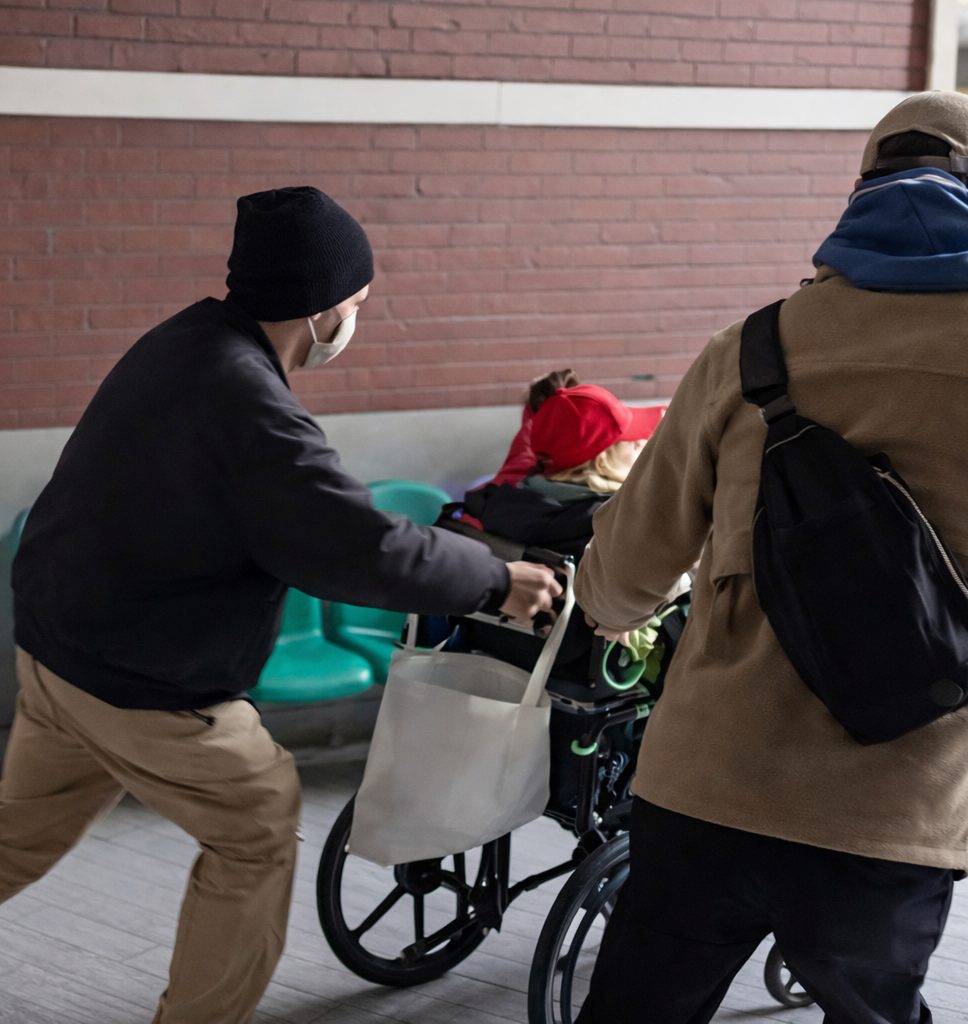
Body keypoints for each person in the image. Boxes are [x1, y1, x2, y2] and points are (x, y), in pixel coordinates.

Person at [1, 186, 560, 1024]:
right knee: (257, 821)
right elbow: (357, 544)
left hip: (57, 653)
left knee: (17, 836)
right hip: (144, 684)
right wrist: (497, 580)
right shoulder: (250, 409)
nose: (357, 321)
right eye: (359, 304)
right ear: (324, 309)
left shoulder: (181, 342)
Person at [573, 91, 968, 1024]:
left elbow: (621, 581)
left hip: (709, 780)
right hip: (893, 799)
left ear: (859, 192)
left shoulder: (751, 346)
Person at [463, 382, 665, 559]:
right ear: (602, 462)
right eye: (632, 443)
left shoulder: (507, 502)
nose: (643, 444)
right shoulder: (620, 522)